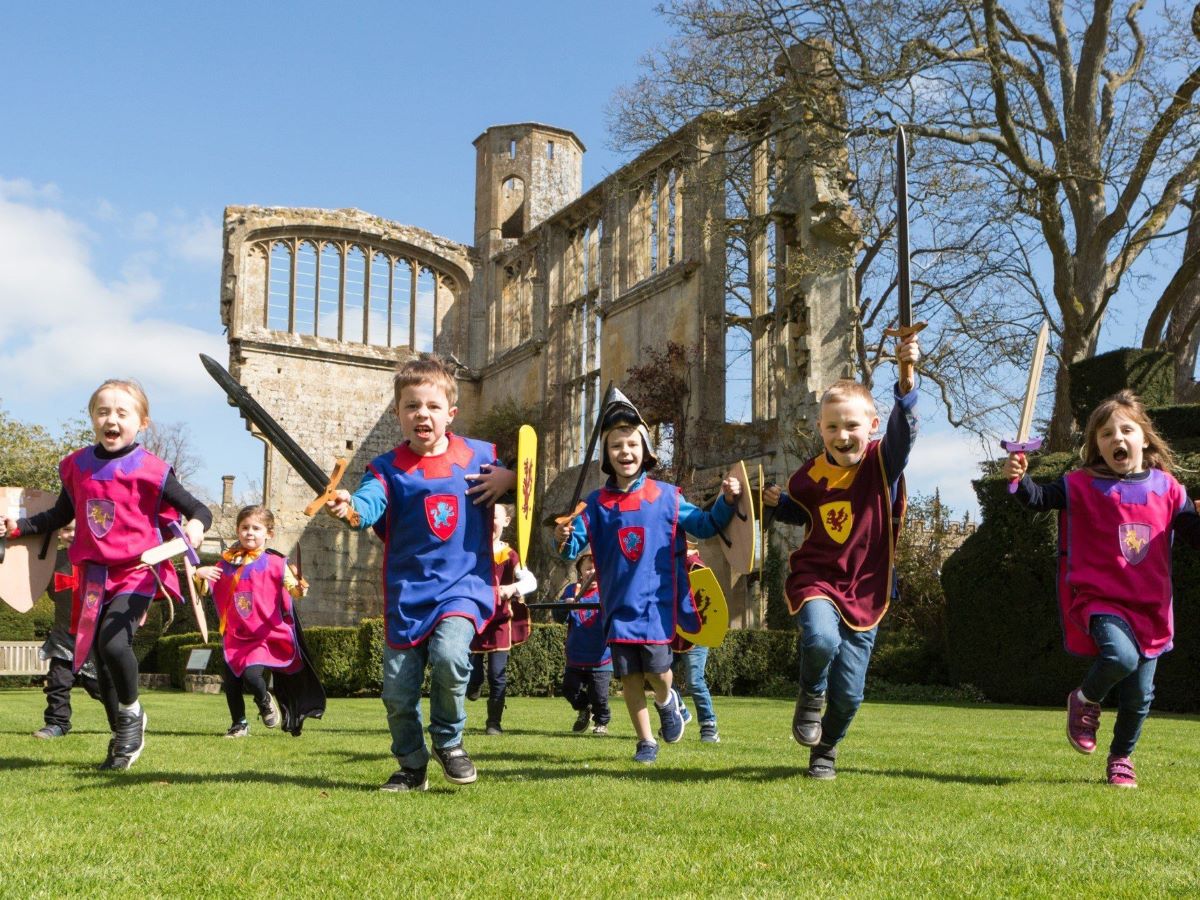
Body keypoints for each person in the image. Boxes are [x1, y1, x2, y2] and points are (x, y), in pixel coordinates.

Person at [0, 378, 211, 770]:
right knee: (99, 656)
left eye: (121, 412)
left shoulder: (152, 469)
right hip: (96, 577)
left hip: (138, 572)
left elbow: (199, 510)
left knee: (114, 644)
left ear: (141, 422)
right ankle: (123, 734)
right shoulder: (77, 465)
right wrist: (18, 528)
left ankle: (131, 718)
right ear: (92, 418)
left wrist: (197, 526)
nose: (111, 419)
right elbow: (60, 515)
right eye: (103, 411)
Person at [327, 354, 514, 792]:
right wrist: (351, 508)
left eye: (431, 406)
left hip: (463, 587)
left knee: (450, 657)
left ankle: (449, 742)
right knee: (396, 693)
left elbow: (527, 485)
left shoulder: (481, 456)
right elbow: (370, 502)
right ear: (398, 414)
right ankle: (412, 766)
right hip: (407, 594)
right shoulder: (387, 470)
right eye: (412, 406)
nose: (421, 414)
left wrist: (507, 481)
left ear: (451, 412)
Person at [1003, 390, 1200, 788]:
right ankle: (1085, 699)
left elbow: (1193, 536)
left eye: (1126, 430)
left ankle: (1121, 758)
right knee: (1120, 657)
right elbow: (1039, 498)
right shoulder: (1080, 484)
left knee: (1140, 697)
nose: (1116, 439)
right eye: (1105, 434)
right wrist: (1019, 480)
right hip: (1101, 599)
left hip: (1153, 607)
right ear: (1096, 445)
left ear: (1144, 438)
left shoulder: (1169, 489)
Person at [764, 334, 920, 780]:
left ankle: (826, 750)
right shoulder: (810, 474)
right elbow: (806, 515)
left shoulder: (881, 462)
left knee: (850, 694)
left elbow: (904, 432)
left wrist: (907, 379)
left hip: (867, 589)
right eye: (832, 427)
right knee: (820, 640)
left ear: (872, 425)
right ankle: (810, 693)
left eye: (852, 425)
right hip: (818, 578)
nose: (842, 435)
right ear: (820, 430)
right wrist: (776, 503)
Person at [556, 388, 739, 764]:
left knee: (658, 673)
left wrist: (728, 501)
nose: (625, 452)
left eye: (631, 444)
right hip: (618, 607)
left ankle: (668, 701)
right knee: (629, 680)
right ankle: (645, 742)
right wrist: (562, 537)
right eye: (616, 446)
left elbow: (705, 526)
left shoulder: (668, 496)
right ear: (607, 455)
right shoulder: (594, 503)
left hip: (656, 605)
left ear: (645, 449)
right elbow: (572, 549)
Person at [195, 505, 310, 738]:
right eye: (244, 527)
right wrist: (200, 574)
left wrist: (299, 587)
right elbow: (207, 589)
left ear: (269, 533)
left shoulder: (276, 563)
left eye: (256, 528)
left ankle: (264, 699)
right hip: (234, 634)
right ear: (237, 531)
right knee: (232, 682)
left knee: (251, 675)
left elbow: (294, 590)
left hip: (263, 634)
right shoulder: (225, 564)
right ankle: (239, 724)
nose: (249, 532)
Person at [32, 520, 119, 740]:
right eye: (66, 529)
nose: (71, 534)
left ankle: (123, 723)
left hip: (93, 641)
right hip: (63, 638)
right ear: (58, 533)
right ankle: (57, 723)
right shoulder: (51, 562)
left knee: (101, 687)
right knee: (57, 683)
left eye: (77, 528)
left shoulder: (101, 560)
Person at [466, 502, 537, 735]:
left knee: (497, 674)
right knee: (471, 671)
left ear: (506, 521)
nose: (490, 522)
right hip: (475, 618)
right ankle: (473, 685)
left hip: (499, 622)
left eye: (495, 517)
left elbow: (530, 582)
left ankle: (493, 722)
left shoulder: (509, 554)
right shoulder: (472, 550)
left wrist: (512, 588)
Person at [557, 547, 612, 735]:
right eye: (588, 568)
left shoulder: (608, 592)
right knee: (569, 689)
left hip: (601, 656)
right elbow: (558, 616)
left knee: (600, 696)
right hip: (576, 655)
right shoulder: (572, 590)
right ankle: (583, 709)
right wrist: (565, 605)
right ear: (580, 570)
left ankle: (601, 722)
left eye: (596, 568)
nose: (592, 572)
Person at [670, 541, 720, 743]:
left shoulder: (694, 565)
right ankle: (680, 710)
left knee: (695, 682)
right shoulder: (665, 566)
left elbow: (709, 597)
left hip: (697, 633)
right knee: (658, 674)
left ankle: (709, 726)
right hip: (672, 633)